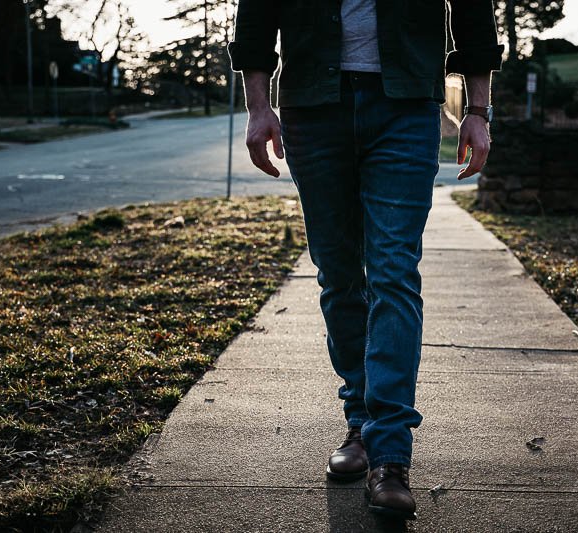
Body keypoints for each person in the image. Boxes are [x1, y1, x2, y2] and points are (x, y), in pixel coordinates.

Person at [229, 0, 502, 521]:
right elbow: (258, 14)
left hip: (405, 106)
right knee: (338, 276)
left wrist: (477, 109)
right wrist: (259, 106)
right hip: (314, 104)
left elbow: (473, 13)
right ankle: (360, 421)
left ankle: (390, 454)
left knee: (394, 273)